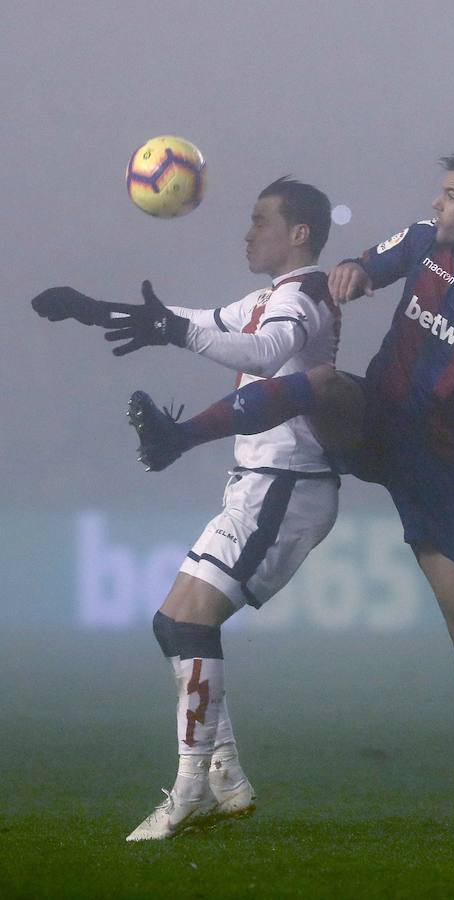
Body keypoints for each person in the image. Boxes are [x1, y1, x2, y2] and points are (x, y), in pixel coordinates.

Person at [102, 149, 454, 833]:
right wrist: (353, 270)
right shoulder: (423, 241)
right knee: (321, 382)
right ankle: (179, 438)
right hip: (373, 419)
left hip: (438, 466)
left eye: (451, 196)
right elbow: (362, 265)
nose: (437, 204)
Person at [31, 177, 341, 841]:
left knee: (190, 622)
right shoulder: (269, 297)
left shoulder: (307, 294)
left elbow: (261, 353)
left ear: (300, 234)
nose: (247, 232)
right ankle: (224, 773)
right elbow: (197, 322)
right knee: (174, 625)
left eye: (261, 221)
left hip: (288, 484)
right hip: (259, 483)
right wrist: (95, 309)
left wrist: (174, 330)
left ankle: (192, 784)